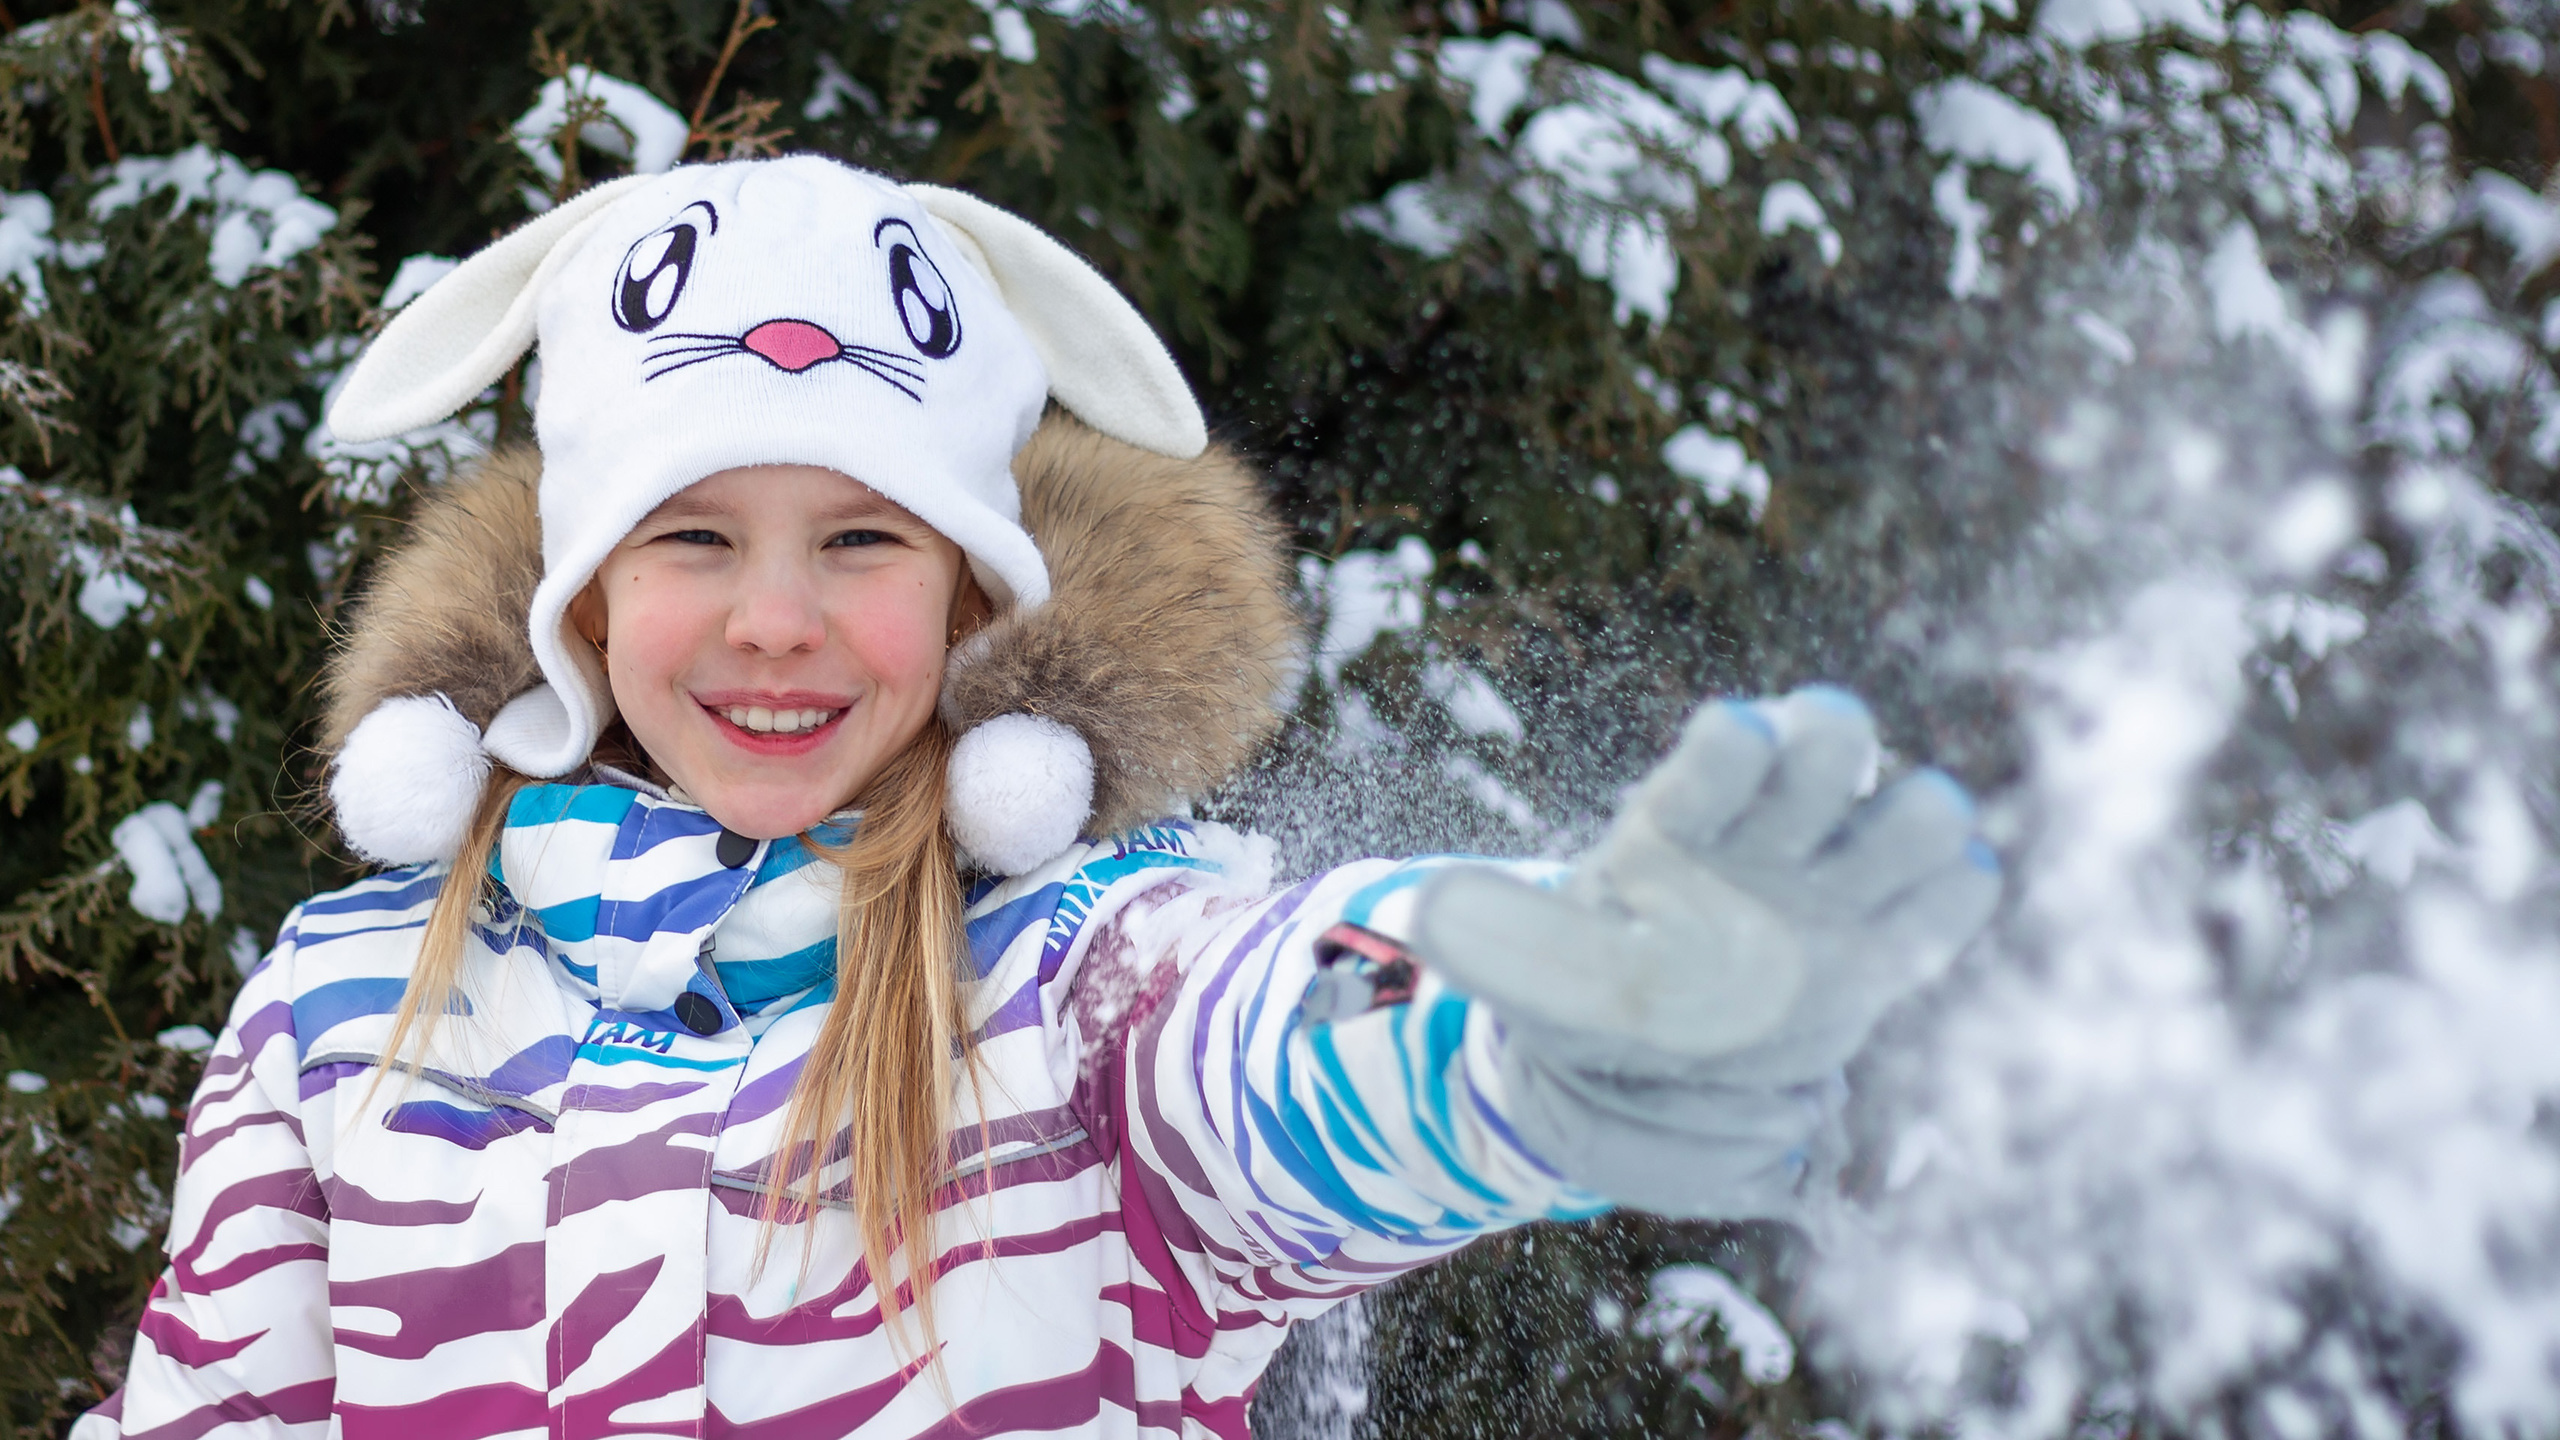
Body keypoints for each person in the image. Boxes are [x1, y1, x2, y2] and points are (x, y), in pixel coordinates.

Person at [78, 156, 1999, 1440]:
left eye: (861, 537)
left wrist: (1510, 1021)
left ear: (974, 594)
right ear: (581, 593)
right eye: (690, 535)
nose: (773, 618)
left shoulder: (1078, 985)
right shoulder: (345, 1009)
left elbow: (1278, 1034)